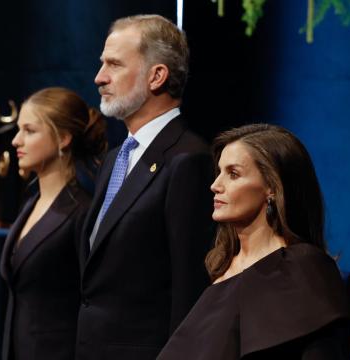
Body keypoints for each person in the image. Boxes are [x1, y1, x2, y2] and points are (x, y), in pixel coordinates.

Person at [76, 14, 214, 360]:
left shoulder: (188, 159)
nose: (99, 77)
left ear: (157, 76)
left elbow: (189, 289)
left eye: (114, 64)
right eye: (101, 64)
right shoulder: (114, 159)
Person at [157, 124, 350, 360]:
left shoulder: (301, 271)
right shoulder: (219, 269)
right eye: (219, 172)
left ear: (271, 186)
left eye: (233, 174)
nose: (215, 185)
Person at [0, 87, 107, 360]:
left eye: (29, 130)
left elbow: (92, 302)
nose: (16, 141)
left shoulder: (82, 213)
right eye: (18, 129)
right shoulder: (30, 202)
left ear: (64, 138)